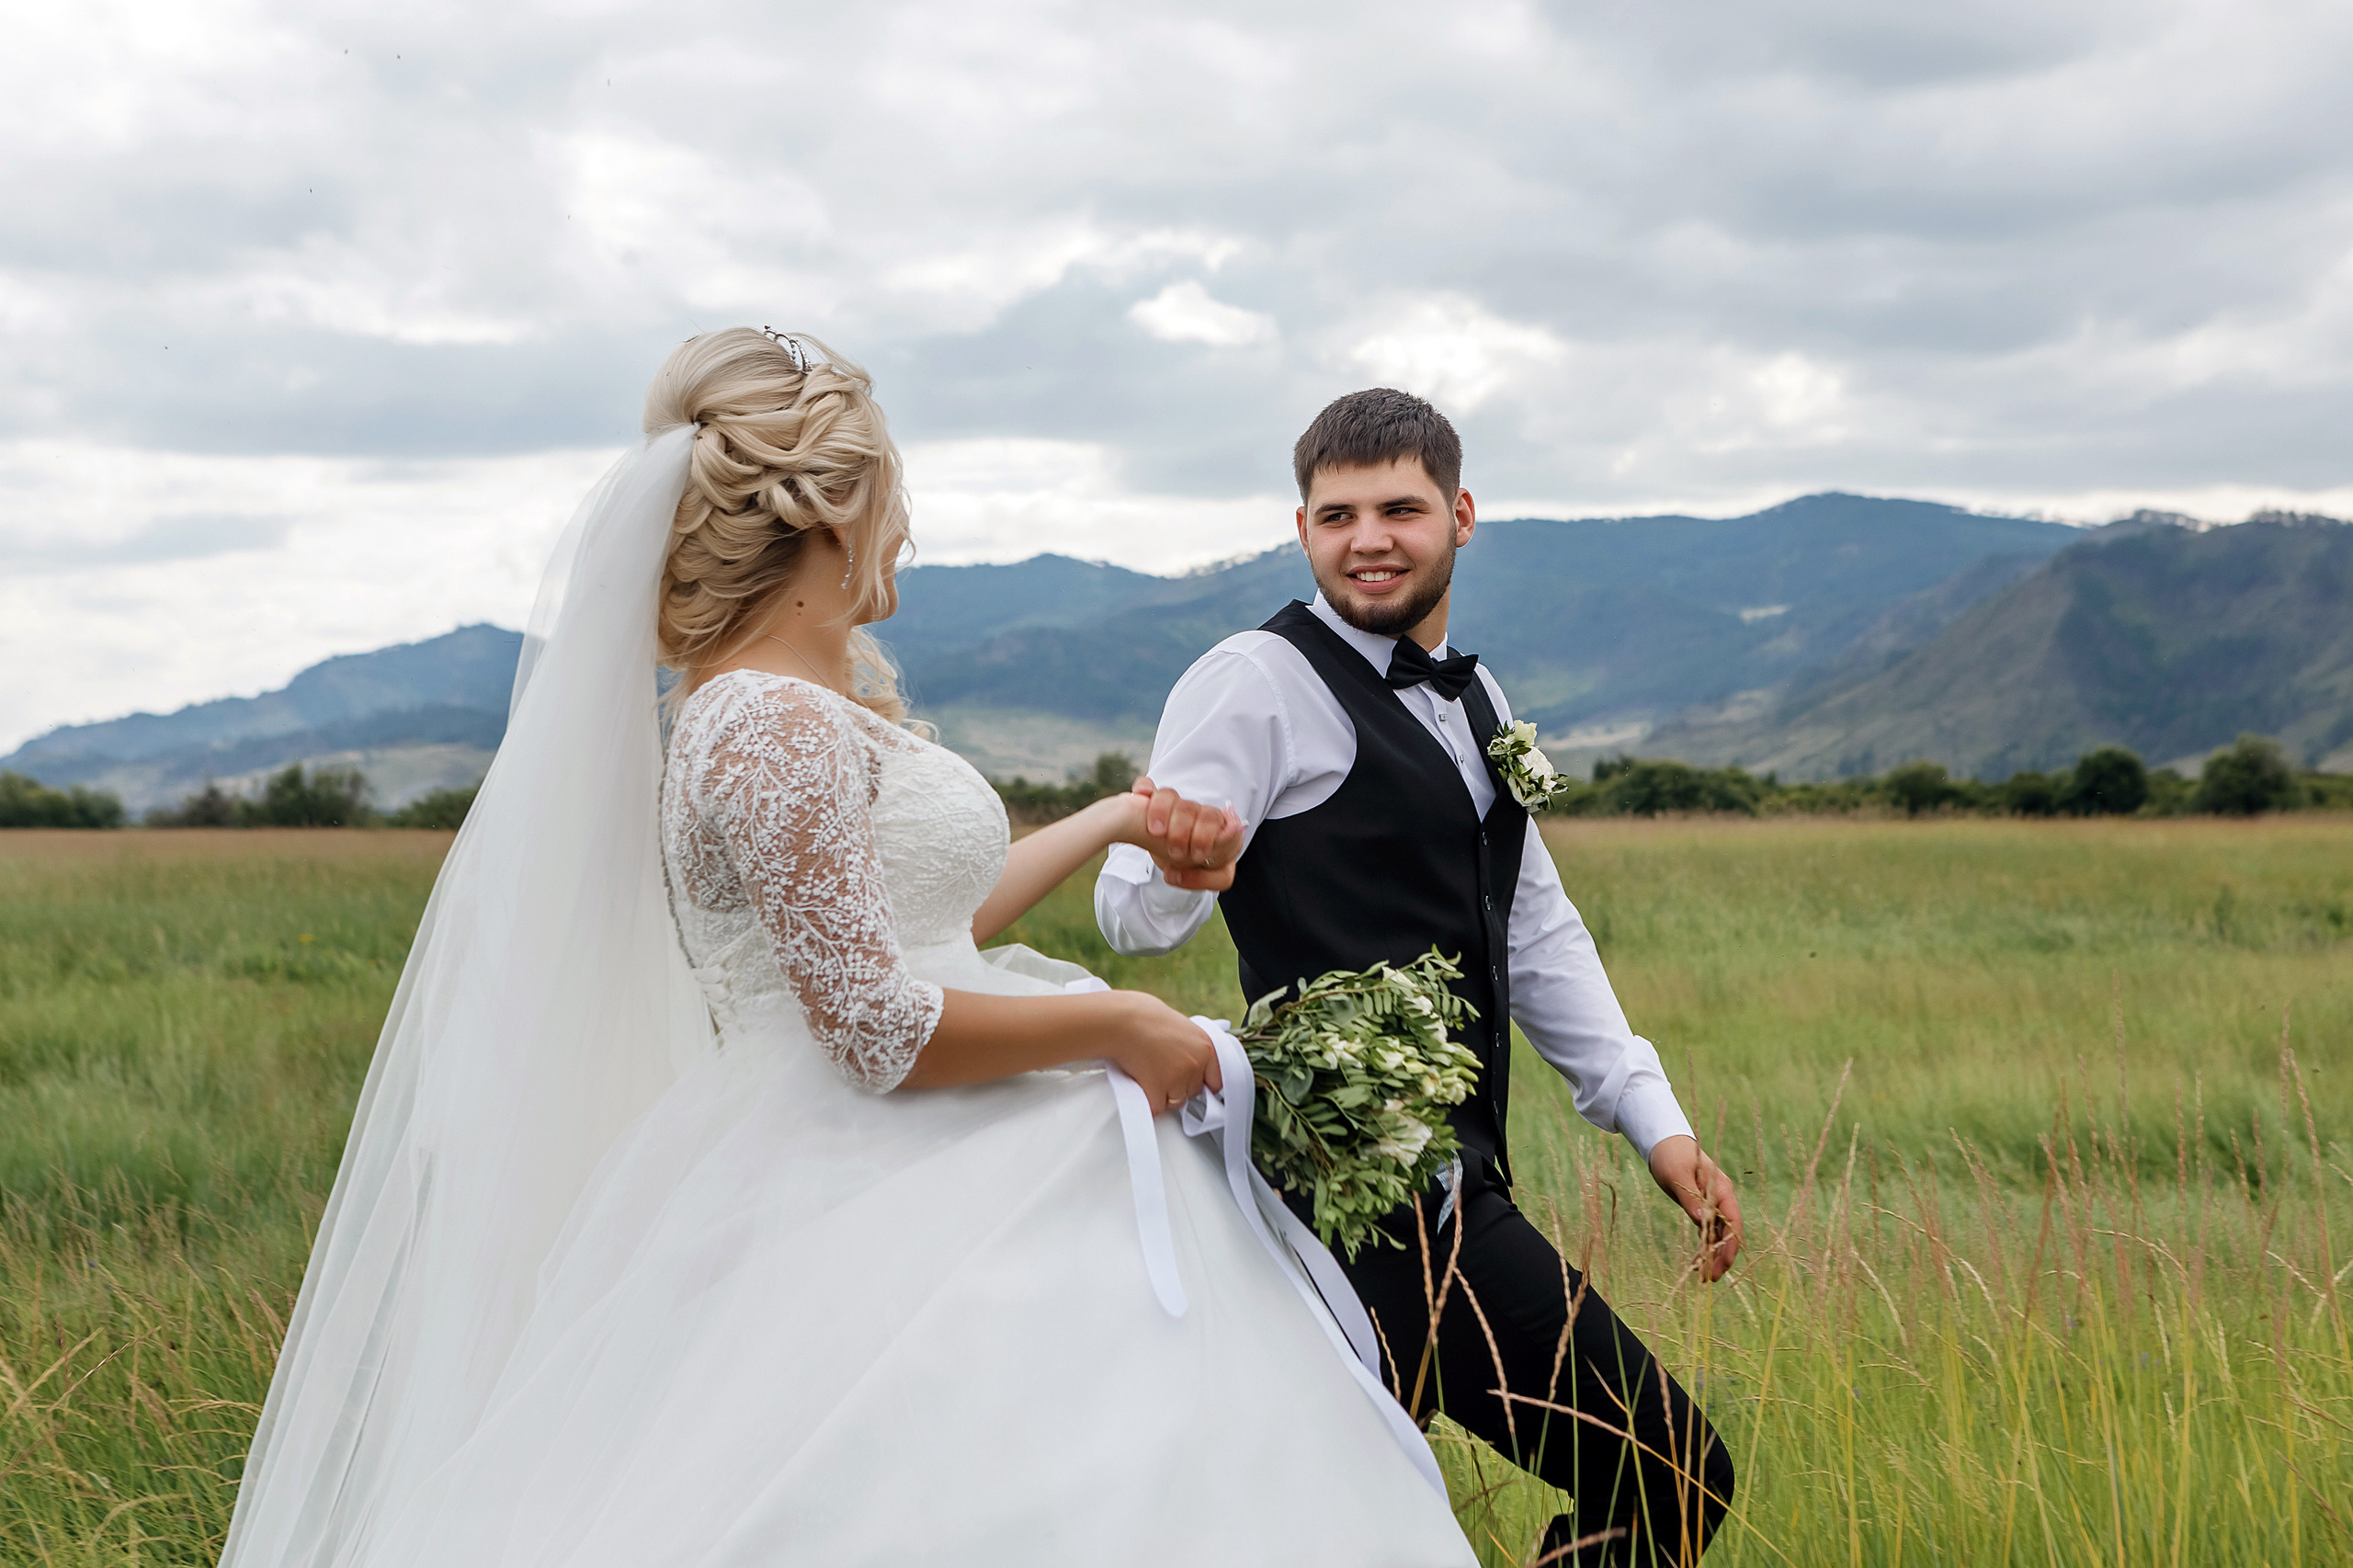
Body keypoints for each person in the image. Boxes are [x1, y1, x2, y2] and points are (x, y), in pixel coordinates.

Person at [218, 331, 1476, 1567]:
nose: (904, 530)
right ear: (829, 517)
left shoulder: (779, 707)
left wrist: (1113, 820)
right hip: (870, 1167)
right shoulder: (770, 722)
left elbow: (935, 926)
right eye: (889, 496)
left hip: (935, 1131)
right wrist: (1123, 1024)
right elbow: (874, 1023)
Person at [1097, 388, 1744, 1566]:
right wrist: (1187, 864)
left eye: (1398, 506)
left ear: (1462, 513)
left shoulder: (1477, 699)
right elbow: (1130, 915)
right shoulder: (1251, 680)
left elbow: (1534, 930)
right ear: (1301, 530)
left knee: (1376, 1526)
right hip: (1337, 1199)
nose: (1368, 538)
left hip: (1458, 1185)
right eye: (1335, 514)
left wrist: (1654, 1122)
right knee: (1667, 1468)